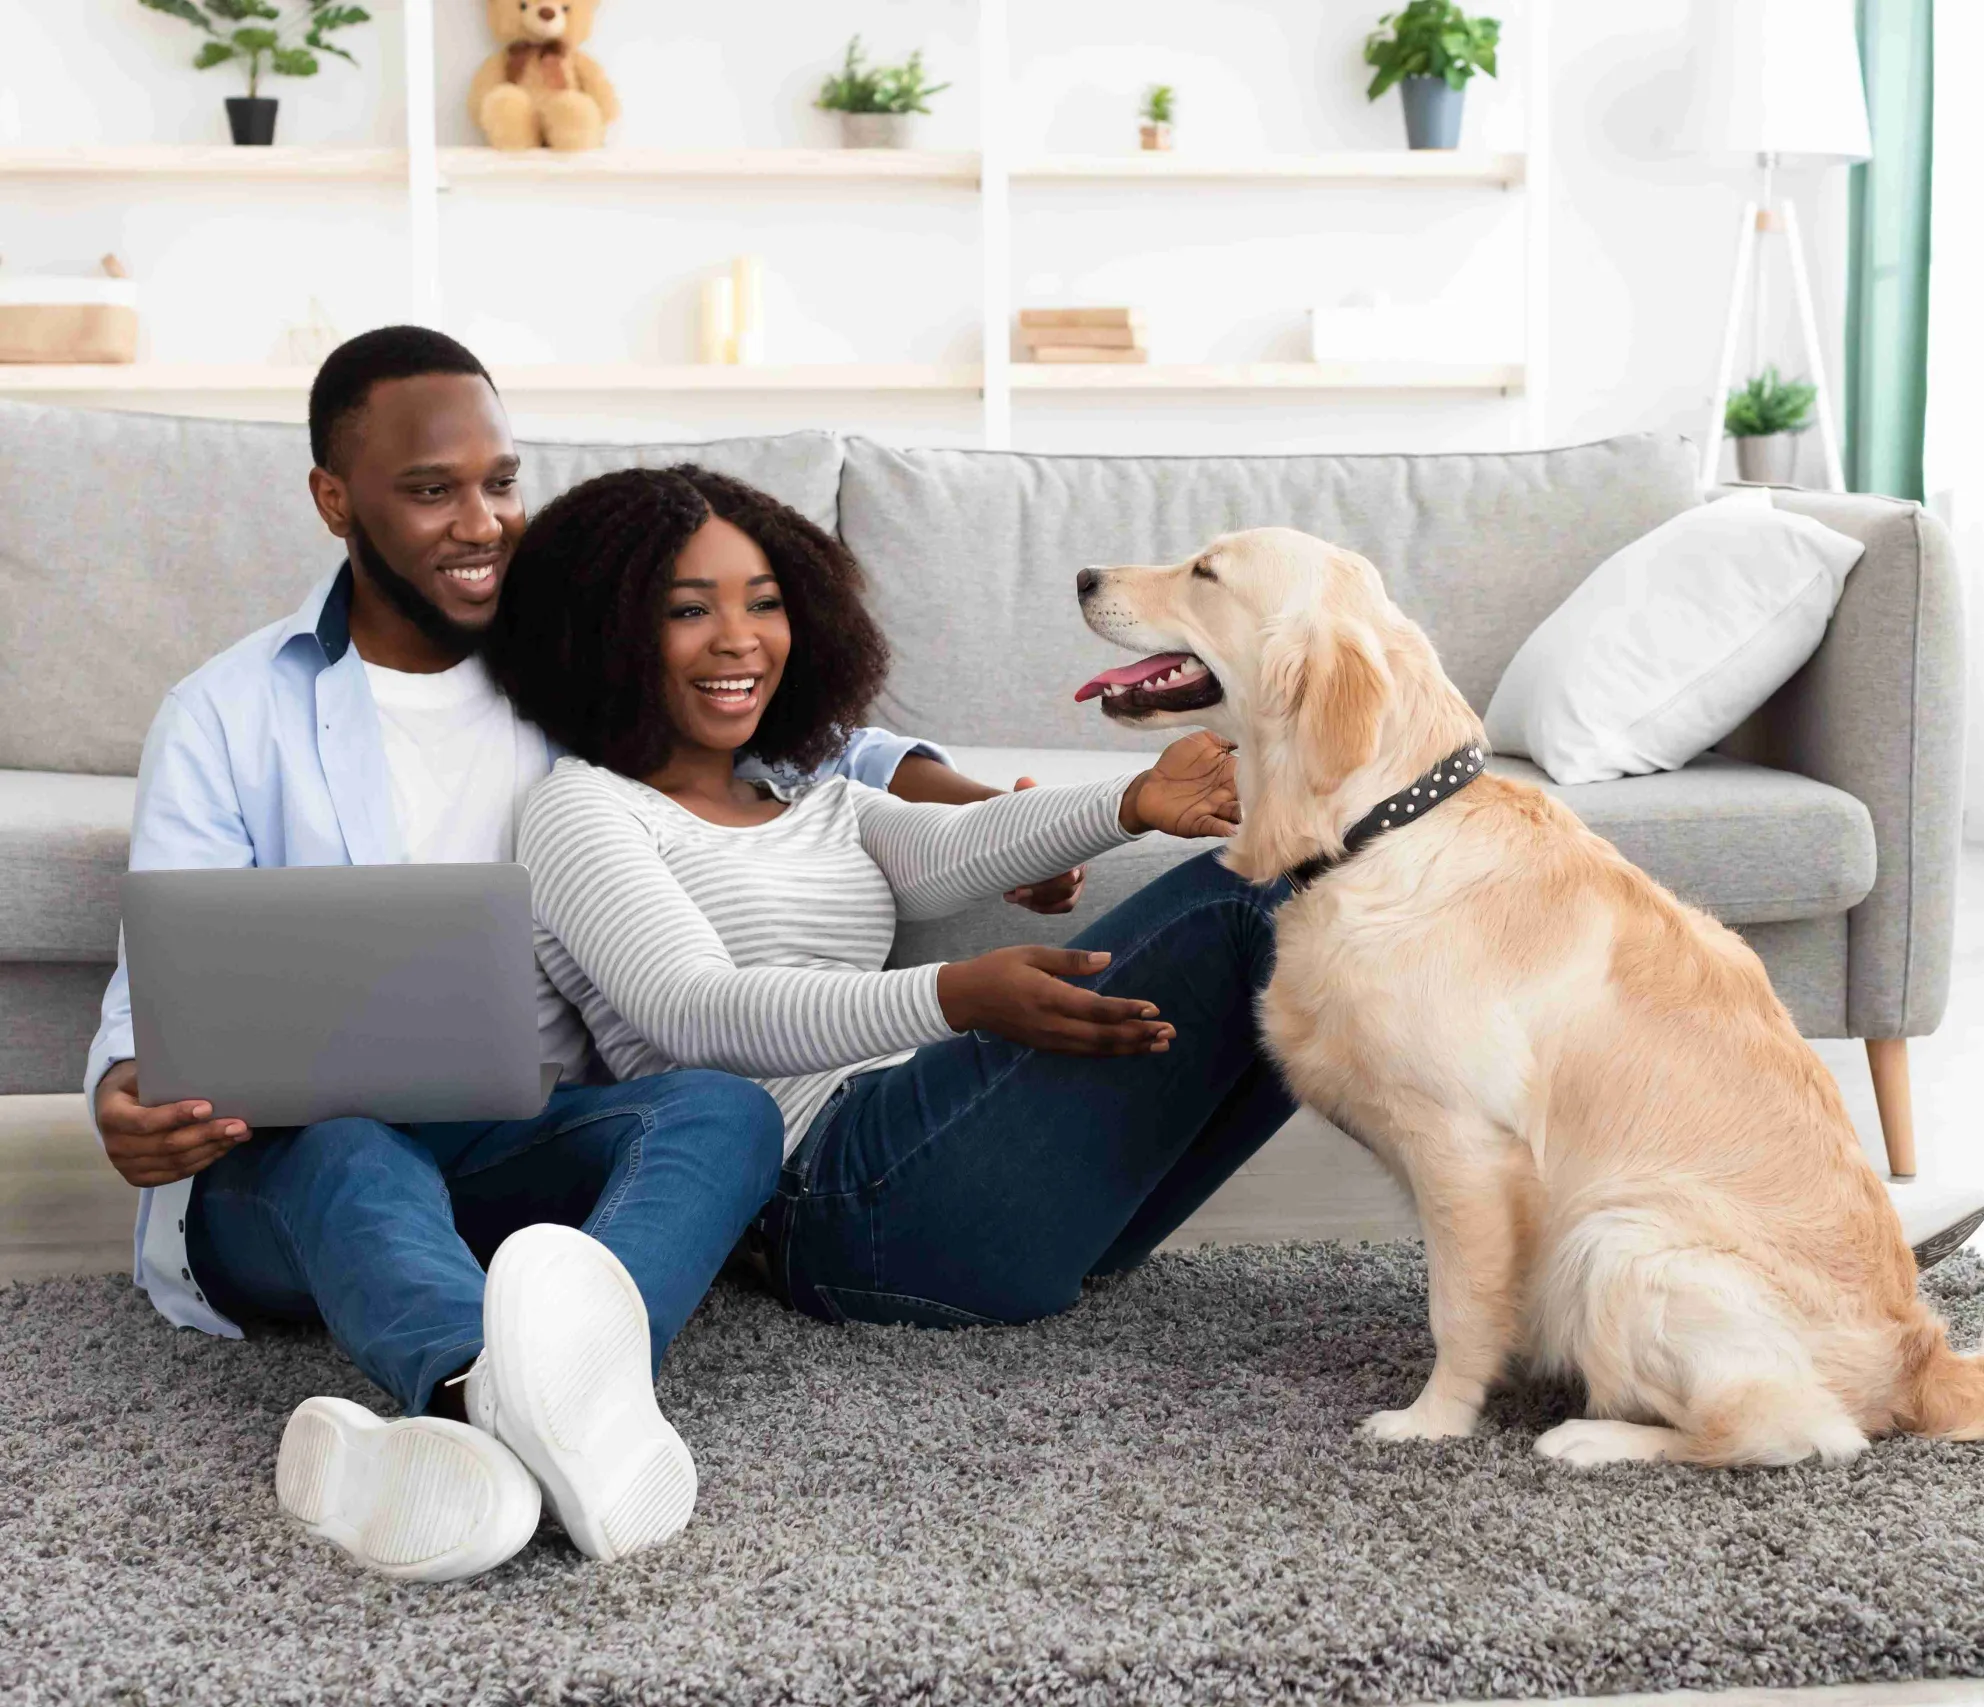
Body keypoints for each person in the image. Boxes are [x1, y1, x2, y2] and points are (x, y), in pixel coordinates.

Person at [82, 327, 1084, 1581]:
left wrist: (973, 804)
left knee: (719, 1111)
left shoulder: (567, 665)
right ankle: (485, 1401)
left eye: (501, 482)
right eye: (432, 490)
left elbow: (809, 729)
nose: (483, 522)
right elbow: (155, 994)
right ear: (335, 499)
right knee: (343, 1143)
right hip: (292, 1180)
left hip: (524, 1144)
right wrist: (127, 1098)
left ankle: (481, 1447)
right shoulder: (231, 712)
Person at [484, 465, 1301, 1332]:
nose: (740, 639)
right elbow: (694, 1010)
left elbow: (953, 849)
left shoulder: (815, 800)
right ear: (601, 632)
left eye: (764, 604)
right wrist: (955, 995)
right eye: (690, 610)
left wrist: (1133, 799)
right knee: (1249, 898)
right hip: (835, 1194)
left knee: (1313, 907)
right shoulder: (580, 807)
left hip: (932, 1162)